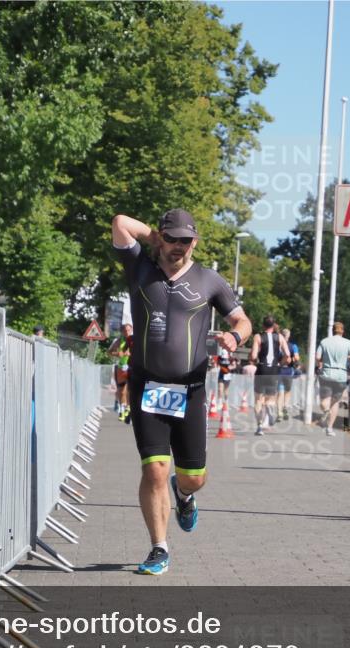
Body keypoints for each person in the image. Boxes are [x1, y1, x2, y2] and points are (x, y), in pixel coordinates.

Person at [111, 210, 252, 575]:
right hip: (147, 386)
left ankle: (184, 495)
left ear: (196, 242)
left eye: (186, 241)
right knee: (155, 469)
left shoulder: (209, 280)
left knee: (193, 477)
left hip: (189, 390)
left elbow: (243, 321)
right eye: (172, 239)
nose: (179, 247)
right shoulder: (139, 266)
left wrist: (233, 336)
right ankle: (159, 547)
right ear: (161, 237)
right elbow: (121, 221)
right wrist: (152, 238)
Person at [316, 322, 350, 436]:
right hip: (341, 375)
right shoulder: (348, 343)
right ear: (342, 331)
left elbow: (317, 357)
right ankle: (329, 428)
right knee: (335, 402)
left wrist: (321, 362)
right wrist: (346, 357)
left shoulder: (324, 342)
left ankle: (325, 411)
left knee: (324, 399)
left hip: (327, 373)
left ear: (332, 330)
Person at [250, 316, 290, 436]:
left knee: (258, 399)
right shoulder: (280, 337)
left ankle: (259, 426)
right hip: (274, 370)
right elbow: (287, 355)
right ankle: (269, 407)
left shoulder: (258, 337)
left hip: (262, 368)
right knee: (270, 398)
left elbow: (253, 356)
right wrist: (280, 363)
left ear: (263, 325)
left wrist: (256, 358)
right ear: (274, 325)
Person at [110, 323, 133, 422]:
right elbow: (109, 352)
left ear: (131, 330)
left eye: (128, 330)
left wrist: (131, 353)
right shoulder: (118, 341)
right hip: (121, 368)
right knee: (122, 391)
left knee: (130, 390)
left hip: (132, 368)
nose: (127, 332)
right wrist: (117, 353)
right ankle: (122, 409)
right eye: (125, 330)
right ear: (122, 332)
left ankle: (128, 408)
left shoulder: (135, 340)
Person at [276, 327, 300, 422]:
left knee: (280, 393)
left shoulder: (277, 346)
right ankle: (285, 406)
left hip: (279, 371)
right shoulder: (293, 346)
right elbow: (297, 358)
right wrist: (293, 359)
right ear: (288, 336)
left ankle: (279, 413)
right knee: (287, 392)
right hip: (289, 371)